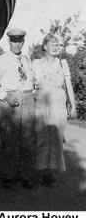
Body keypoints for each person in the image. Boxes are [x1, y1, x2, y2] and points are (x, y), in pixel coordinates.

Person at [0, 28, 35, 189]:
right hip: (9, 100)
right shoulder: (1, 60)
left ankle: (25, 175)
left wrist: (31, 95)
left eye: (20, 41)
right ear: (9, 42)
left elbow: (32, 81)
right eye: (14, 41)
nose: (17, 44)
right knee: (10, 140)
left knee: (28, 139)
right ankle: (8, 175)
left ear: (23, 42)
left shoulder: (27, 59)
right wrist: (6, 96)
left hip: (27, 98)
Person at [33, 34, 76, 187]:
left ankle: (52, 172)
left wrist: (73, 105)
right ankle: (42, 171)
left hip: (58, 103)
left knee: (56, 138)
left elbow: (68, 86)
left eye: (57, 45)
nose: (55, 48)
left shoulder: (62, 63)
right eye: (52, 45)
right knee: (42, 138)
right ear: (45, 47)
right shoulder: (36, 63)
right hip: (42, 102)